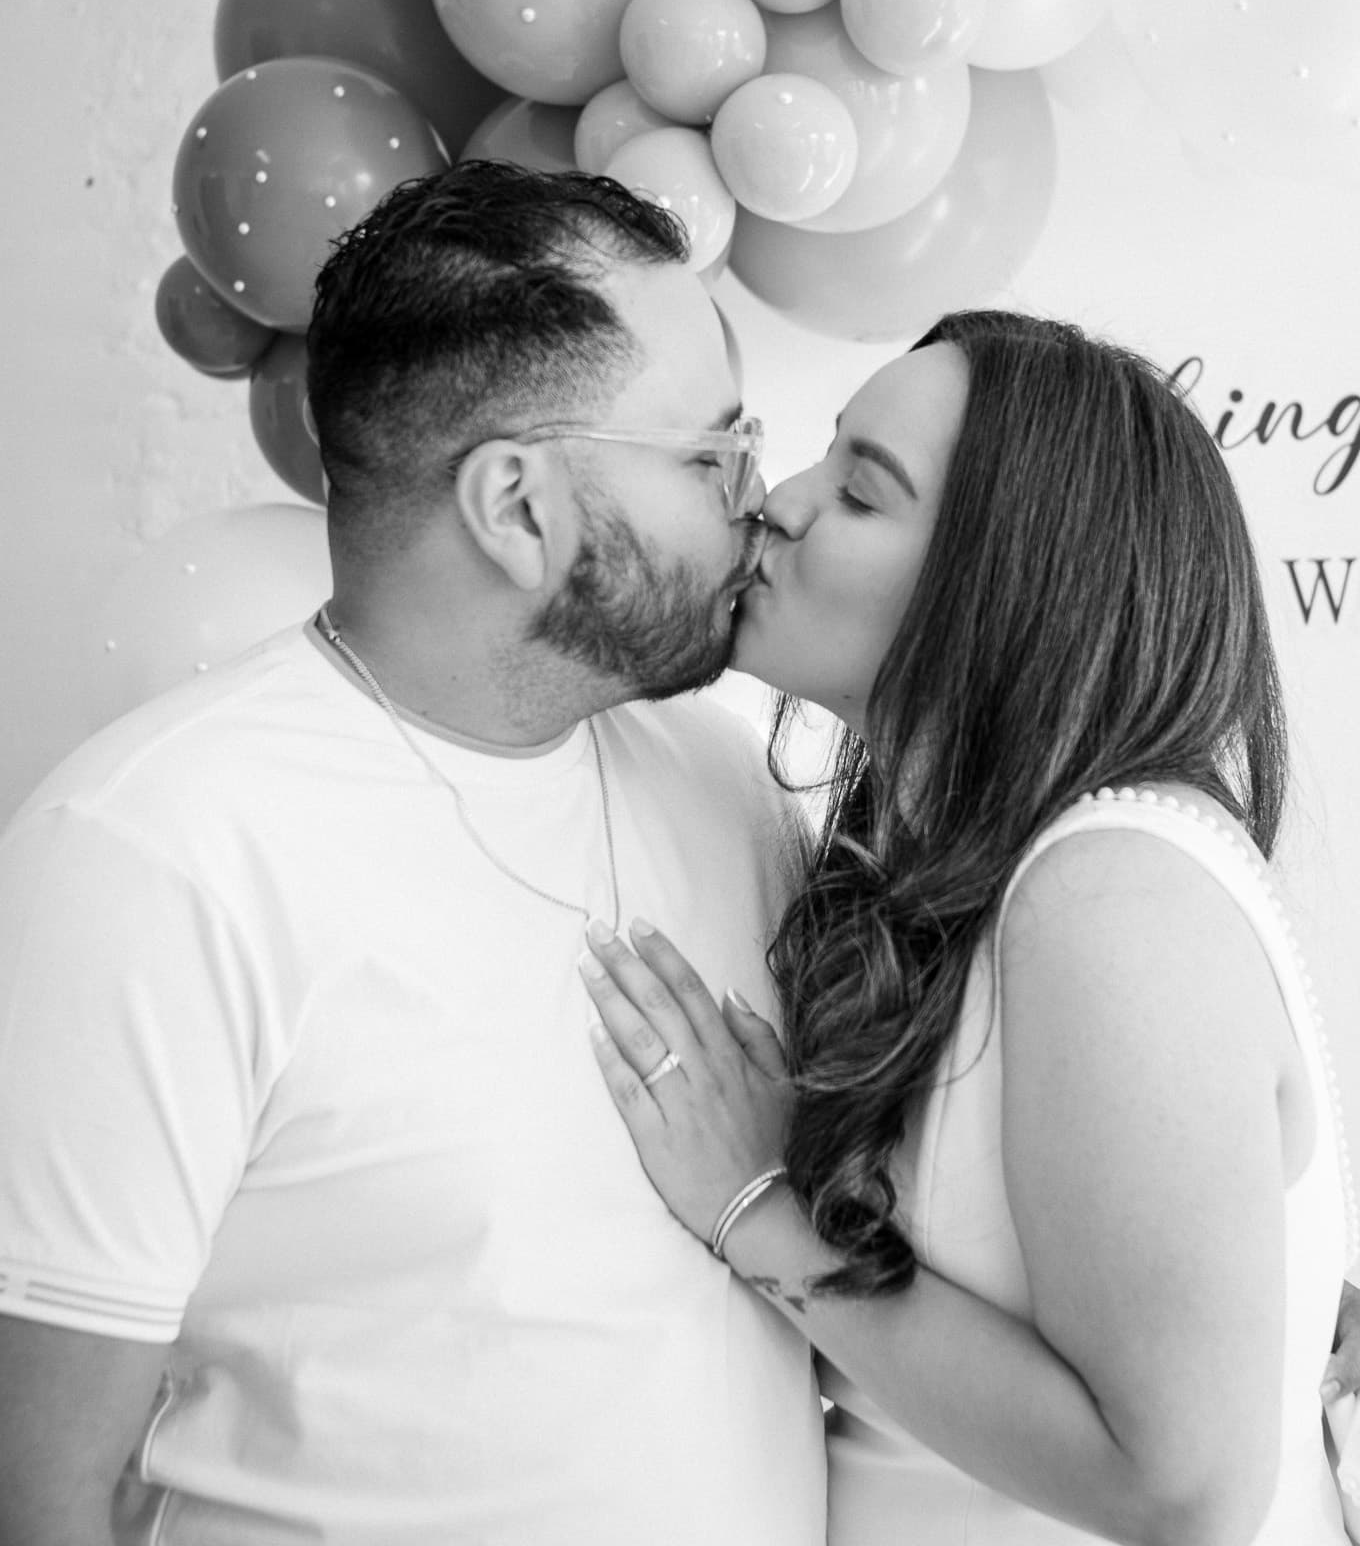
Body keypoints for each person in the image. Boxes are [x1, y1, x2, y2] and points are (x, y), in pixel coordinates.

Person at [0, 161, 826, 1545]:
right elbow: (44, 1493)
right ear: (516, 507)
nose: (760, 501)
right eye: (710, 458)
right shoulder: (152, 855)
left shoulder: (717, 774)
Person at [581, 309, 1360, 1546]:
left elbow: (1180, 1486)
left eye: (861, 491)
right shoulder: (980, 870)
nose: (777, 503)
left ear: (1007, 581)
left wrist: (753, 1203)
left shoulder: (1107, 894)